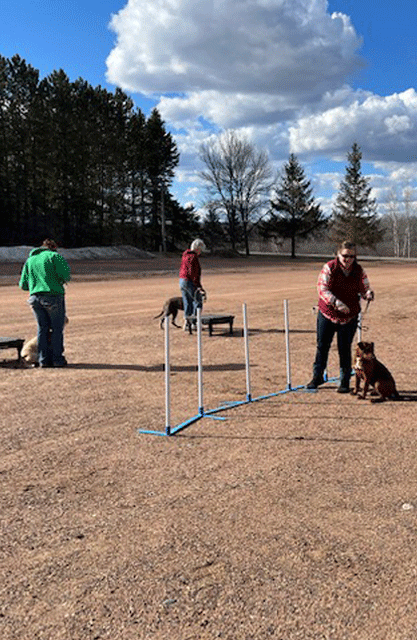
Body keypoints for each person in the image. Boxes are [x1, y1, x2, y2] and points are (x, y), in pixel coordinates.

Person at [307, 241, 374, 393]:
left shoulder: (359, 270)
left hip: (349, 317)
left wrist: (368, 294)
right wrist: (336, 303)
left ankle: (344, 381)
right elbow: (322, 289)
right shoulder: (329, 267)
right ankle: (317, 377)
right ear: (338, 254)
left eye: (351, 256)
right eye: (345, 255)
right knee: (322, 346)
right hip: (327, 314)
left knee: (344, 349)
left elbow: (365, 288)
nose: (348, 259)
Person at [19, 239, 71, 368]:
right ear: (53, 248)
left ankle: (43, 360)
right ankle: (57, 359)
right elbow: (65, 275)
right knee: (57, 329)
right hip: (53, 296)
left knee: (42, 329)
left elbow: (23, 285)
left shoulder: (30, 260)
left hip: (35, 298)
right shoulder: (55, 256)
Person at [179, 238, 206, 330]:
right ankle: (194, 322)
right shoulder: (193, 257)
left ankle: (187, 323)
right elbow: (193, 272)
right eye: (201, 250)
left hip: (182, 280)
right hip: (189, 281)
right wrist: (198, 286)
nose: (201, 252)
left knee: (187, 302)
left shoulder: (185, 255)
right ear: (198, 249)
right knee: (197, 301)